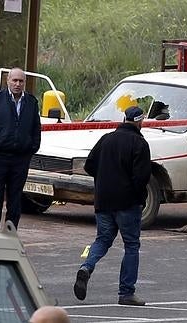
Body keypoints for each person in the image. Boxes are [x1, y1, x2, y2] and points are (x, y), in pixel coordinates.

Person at [73, 106, 151, 306]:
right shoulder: (140, 143)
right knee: (131, 245)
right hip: (127, 203)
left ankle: (86, 267)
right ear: (140, 122)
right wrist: (138, 197)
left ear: (124, 119)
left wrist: (104, 179)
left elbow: (89, 165)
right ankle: (126, 292)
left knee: (102, 239)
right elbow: (141, 178)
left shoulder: (106, 139)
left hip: (103, 200)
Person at [0, 67, 41, 230]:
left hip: (20, 159)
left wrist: (30, 151)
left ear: (25, 83)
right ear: (8, 81)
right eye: (14, 80)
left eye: (21, 81)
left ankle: (11, 233)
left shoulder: (31, 102)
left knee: (15, 198)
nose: (17, 84)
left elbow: (36, 129)